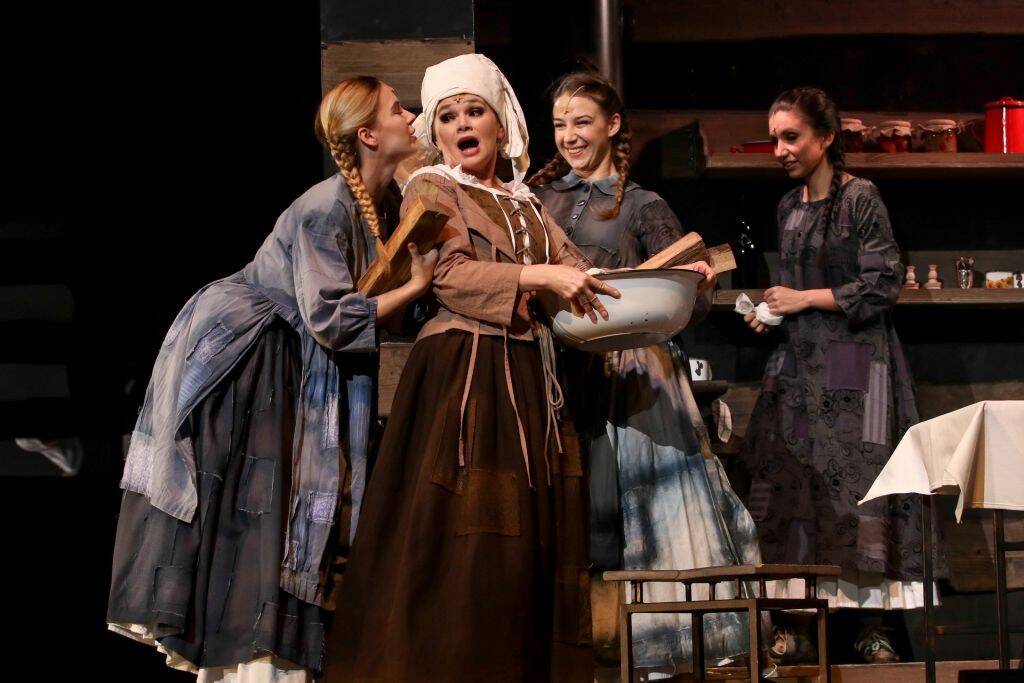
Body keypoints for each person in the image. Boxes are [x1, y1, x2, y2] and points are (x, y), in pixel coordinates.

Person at [106, 76, 437, 681]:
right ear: (368, 134)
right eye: (398, 109)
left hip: (289, 354)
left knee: (278, 505)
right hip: (254, 354)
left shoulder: (382, 204)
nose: (411, 116)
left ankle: (270, 657)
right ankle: (247, 655)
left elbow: (368, 305)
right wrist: (416, 286)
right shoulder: (325, 207)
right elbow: (332, 319)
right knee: (256, 505)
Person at [325, 54, 619, 682]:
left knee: (528, 537)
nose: (461, 123)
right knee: (471, 534)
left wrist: (662, 279)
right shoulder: (433, 187)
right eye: (448, 115)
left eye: (474, 111)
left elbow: (579, 272)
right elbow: (451, 275)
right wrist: (538, 277)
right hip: (467, 372)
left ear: (500, 123)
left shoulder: (526, 201)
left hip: (529, 376)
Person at [530, 71, 763, 675]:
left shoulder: (642, 204)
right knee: (566, 511)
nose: (569, 136)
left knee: (631, 507)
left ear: (612, 125)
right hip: (553, 367)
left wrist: (701, 283)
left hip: (629, 372)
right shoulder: (539, 200)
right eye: (559, 124)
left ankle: (649, 646)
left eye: (582, 122)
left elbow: (685, 294)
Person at [740, 87, 925, 663]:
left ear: (825, 137)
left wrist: (802, 299)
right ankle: (799, 621)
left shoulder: (859, 197)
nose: (780, 149)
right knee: (795, 489)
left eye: (791, 137)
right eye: (774, 138)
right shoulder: (788, 208)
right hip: (799, 368)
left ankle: (873, 626)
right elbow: (797, 291)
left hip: (858, 367)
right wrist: (773, 311)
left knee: (861, 491)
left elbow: (882, 283)